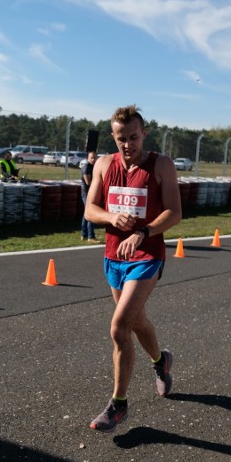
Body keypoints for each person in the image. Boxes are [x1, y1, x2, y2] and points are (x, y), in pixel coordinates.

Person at [83, 104, 182, 433]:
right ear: (113, 136)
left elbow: (174, 213)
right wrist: (111, 218)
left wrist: (143, 232)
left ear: (144, 134)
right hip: (114, 257)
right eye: (122, 138)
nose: (128, 144)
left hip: (147, 255)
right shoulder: (104, 165)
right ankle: (161, 361)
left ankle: (118, 405)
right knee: (136, 322)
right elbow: (90, 210)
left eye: (134, 137)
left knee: (119, 328)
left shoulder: (161, 165)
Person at [80, 151, 99, 242]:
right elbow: (88, 182)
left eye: (95, 157)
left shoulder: (94, 167)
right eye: (92, 157)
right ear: (87, 158)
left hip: (91, 193)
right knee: (90, 214)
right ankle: (91, 236)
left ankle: (84, 235)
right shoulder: (86, 167)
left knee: (86, 215)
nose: (94, 159)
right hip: (86, 194)